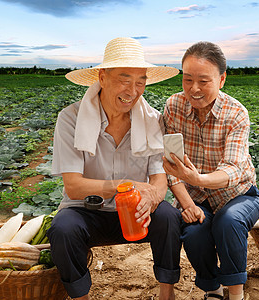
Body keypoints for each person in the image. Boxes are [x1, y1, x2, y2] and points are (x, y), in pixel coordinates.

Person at [47, 37, 182, 300]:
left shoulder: (153, 120)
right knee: (62, 229)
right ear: (102, 77)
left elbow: (159, 179)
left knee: (168, 217)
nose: (133, 90)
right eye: (124, 79)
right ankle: (80, 297)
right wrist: (125, 186)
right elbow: (73, 187)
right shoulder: (70, 119)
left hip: (135, 212)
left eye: (140, 81)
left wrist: (151, 198)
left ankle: (167, 293)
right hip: (87, 212)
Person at [162, 41, 259, 300]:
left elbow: (233, 170)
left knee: (228, 222)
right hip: (195, 196)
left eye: (203, 81)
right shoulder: (173, 107)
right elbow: (171, 167)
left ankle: (237, 295)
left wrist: (199, 178)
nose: (194, 89)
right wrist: (187, 203)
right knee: (194, 231)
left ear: (222, 79)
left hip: (240, 195)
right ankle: (213, 290)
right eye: (187, 80)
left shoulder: (236, 113)